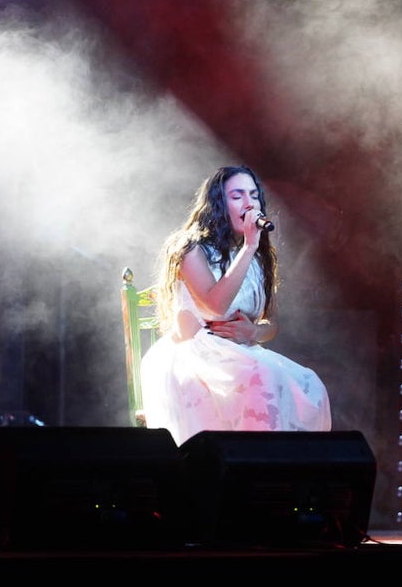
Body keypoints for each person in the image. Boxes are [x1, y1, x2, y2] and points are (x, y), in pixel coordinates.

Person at [139, 164, 332, 446]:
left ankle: (281, 481)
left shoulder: (257, 255)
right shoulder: (190, 249)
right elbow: (214, 307)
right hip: (196, 355)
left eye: (253, 195)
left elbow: (270, 323)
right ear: (218, 203)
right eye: (237, 195)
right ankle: (248, 476)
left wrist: (252, 333)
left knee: (309, 385)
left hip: (242, 352)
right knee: (262, 381)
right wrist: (248, 247)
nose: (249, 202)